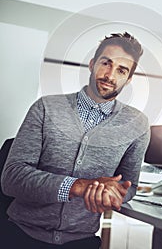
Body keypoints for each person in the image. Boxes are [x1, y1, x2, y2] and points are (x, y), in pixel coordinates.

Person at [1, 32, 150, 248]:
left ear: (128, 79)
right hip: (21, 235)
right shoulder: (45, 108)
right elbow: (12, 178)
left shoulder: (137, 124)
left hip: (81, 241)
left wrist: (111, 193)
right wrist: (78, 187)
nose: (110, 75)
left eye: (121, 70)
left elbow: (129, 186)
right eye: (106, 63)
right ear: (92, 64)